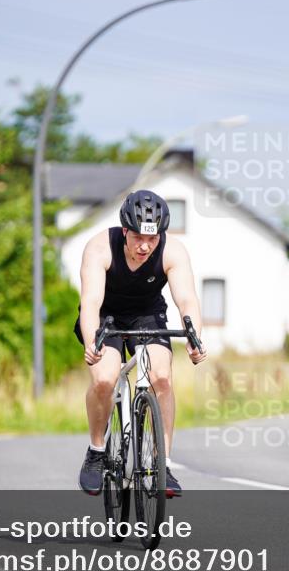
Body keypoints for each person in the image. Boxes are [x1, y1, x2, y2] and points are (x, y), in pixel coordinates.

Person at [75, 190, 207, 498]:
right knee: (105, 378)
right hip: (106, 316)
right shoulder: (99, 247)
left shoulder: (173, 251)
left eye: (152, 238)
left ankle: (163, 465)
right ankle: (96, 450)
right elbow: (91, 301)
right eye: (137, 238)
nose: (145, 246)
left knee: (161, 376)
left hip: (147, 316)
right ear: (124, 232)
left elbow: (187, 299)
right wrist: (93, 341)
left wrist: (195, 337)